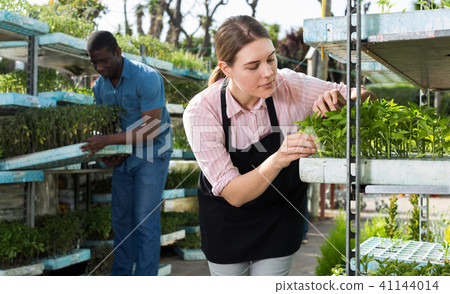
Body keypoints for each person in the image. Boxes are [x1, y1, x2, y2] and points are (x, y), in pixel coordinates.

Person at [183, 15, 376, 276]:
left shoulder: (290, 85)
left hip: (280, 216)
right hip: (226, 220)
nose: (268, 72)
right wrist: (280, 156)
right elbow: (234, 193)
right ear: (226, 69)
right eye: (253, 66)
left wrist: (345, 105)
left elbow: (367, 98)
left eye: (271, 59)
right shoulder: (202, 111)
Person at [82, 31, 172, 276]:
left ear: (118, 52)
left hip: (152, 153)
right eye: (94, 63)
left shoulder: (147, 78)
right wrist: (109, 153)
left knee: (144, 220)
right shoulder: (100, 87)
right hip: (125, 156)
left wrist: (108, 140)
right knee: (121, 221)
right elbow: (107, 126)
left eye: (104, 61)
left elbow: (151, 129)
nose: (99, 68)